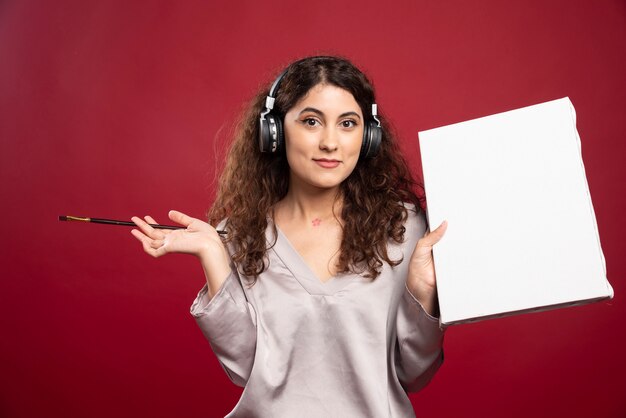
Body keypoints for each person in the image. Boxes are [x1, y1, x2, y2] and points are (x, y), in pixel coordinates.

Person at [131, 56, 447, 418]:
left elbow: (415, 373)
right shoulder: (238, 236)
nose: (330, 142)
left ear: (369, 137)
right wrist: (213, 256)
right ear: (274, 131)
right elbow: (244, 371)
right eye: (311, 121)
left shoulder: (406, 231)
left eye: (348, 124)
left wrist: (422, 292)